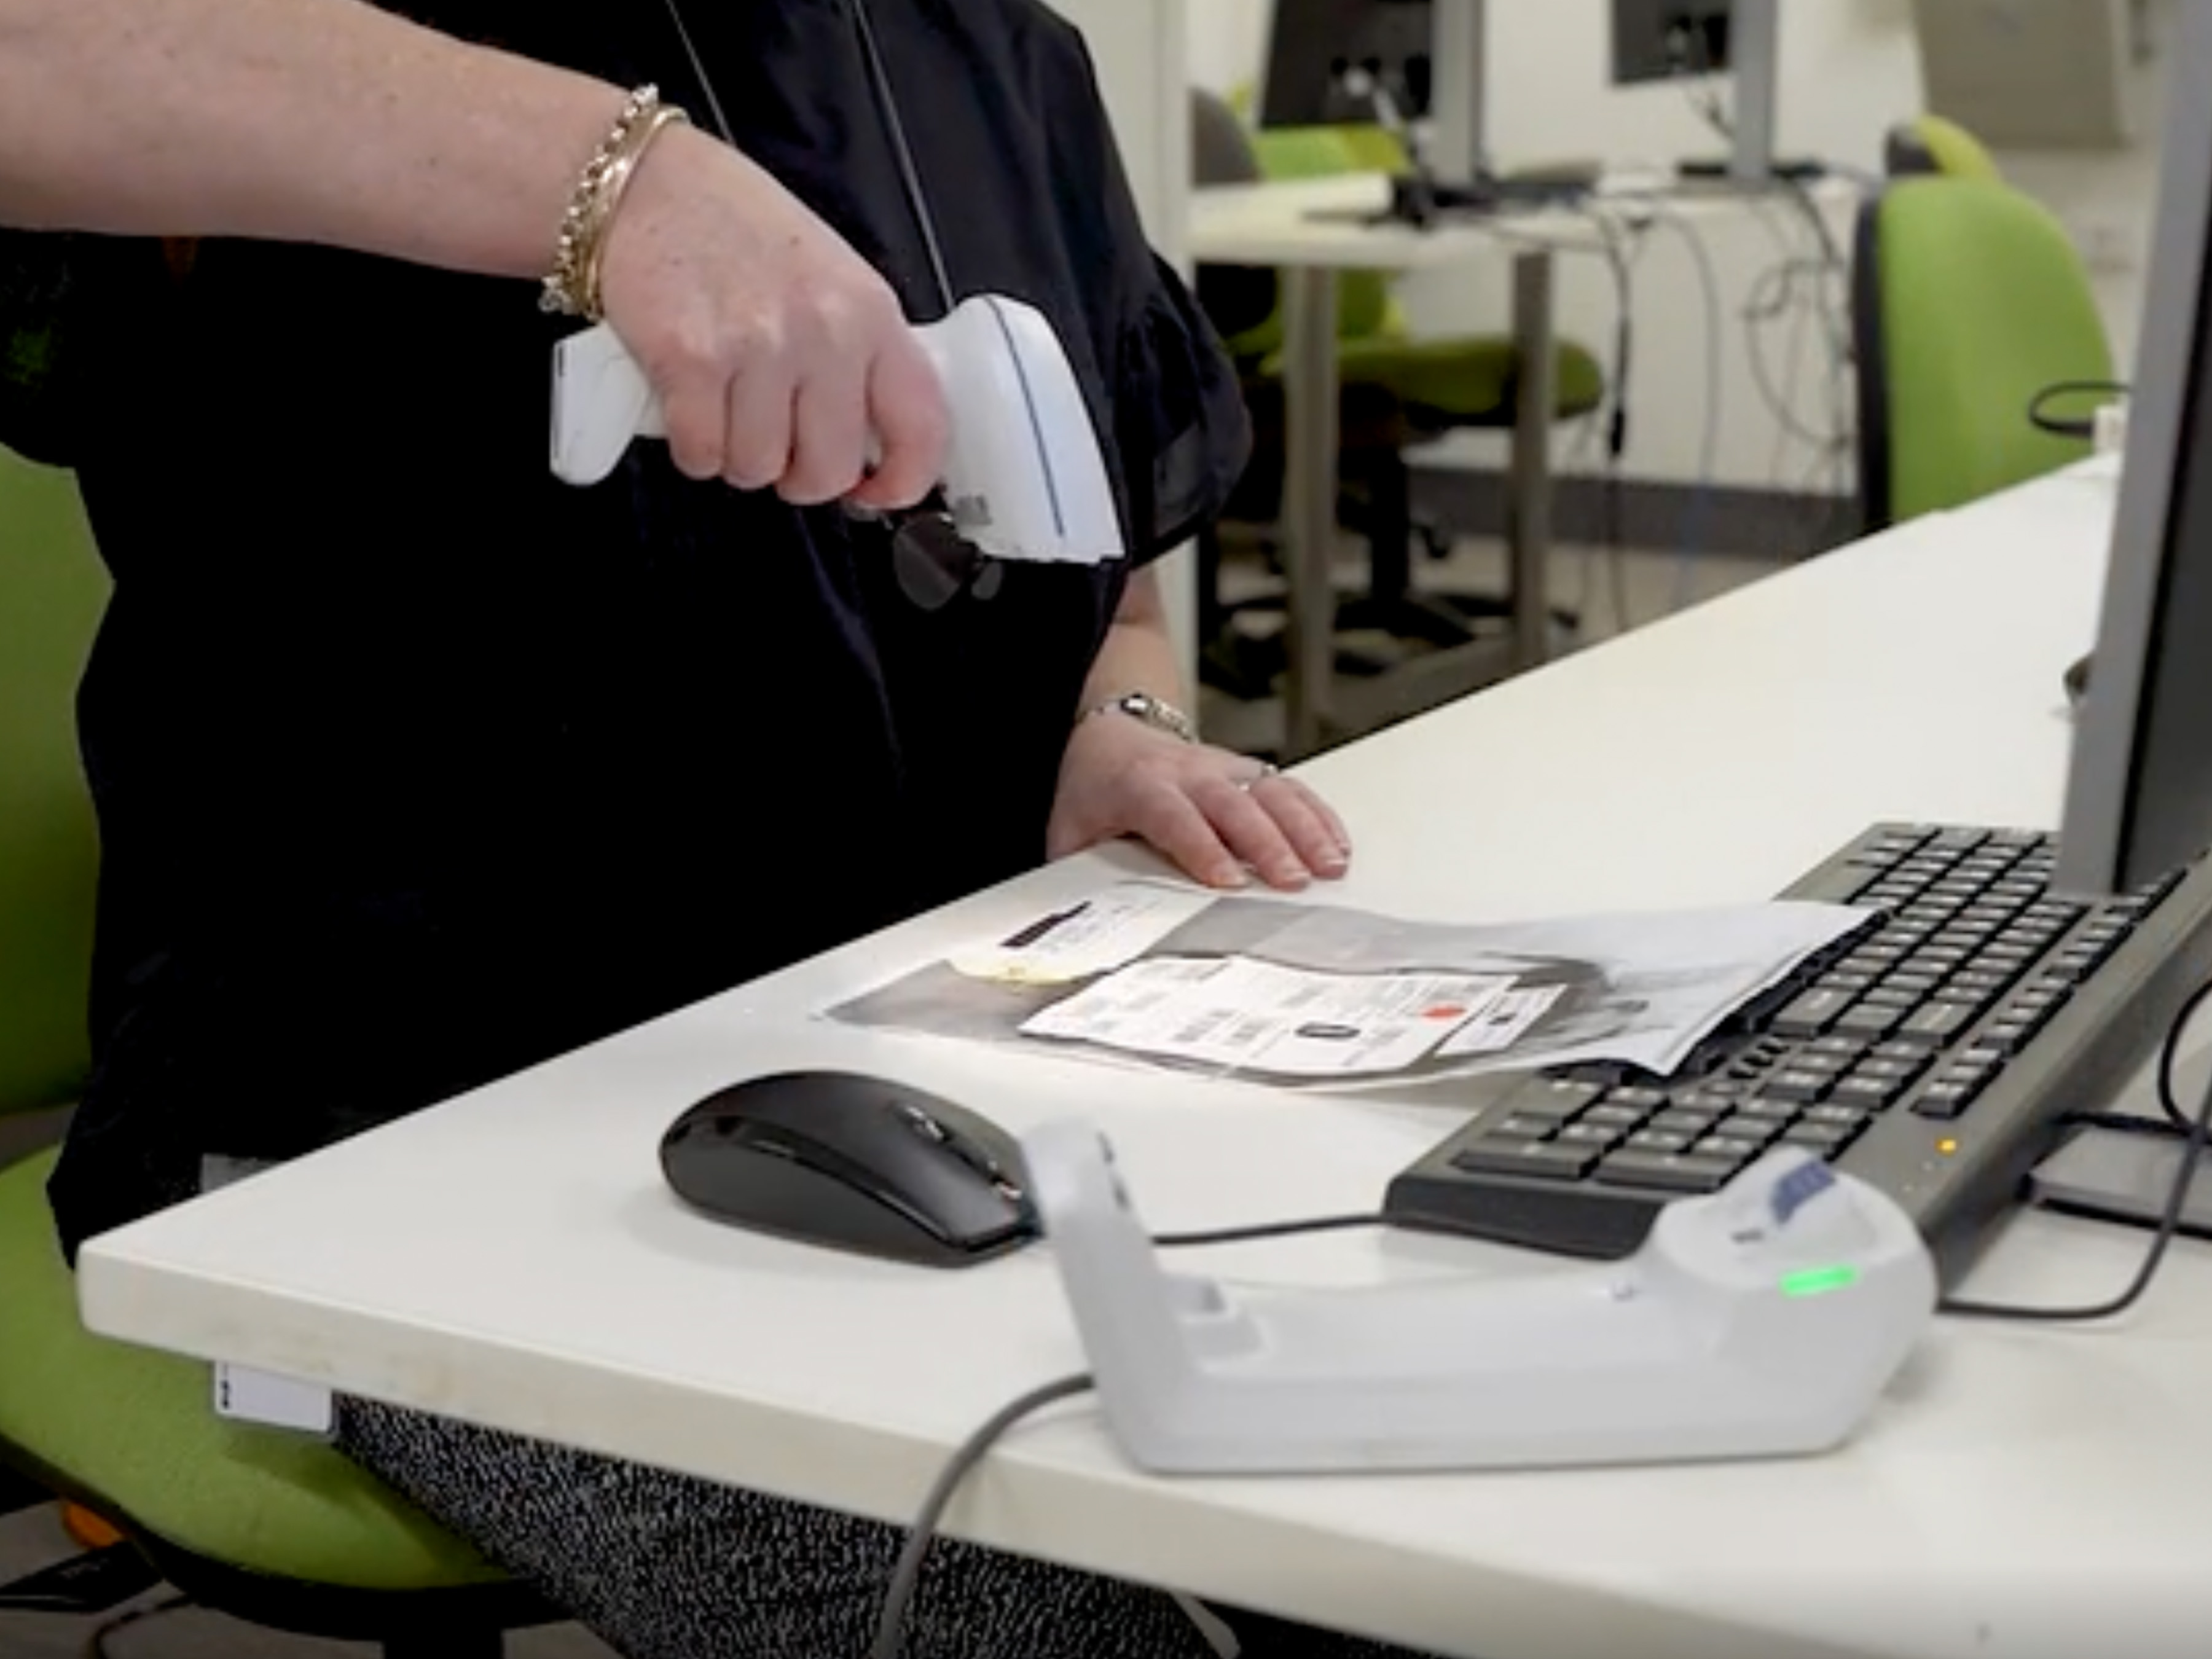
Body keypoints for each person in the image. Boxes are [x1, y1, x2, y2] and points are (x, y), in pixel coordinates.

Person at [0, 0, 1432, 1653]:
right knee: (1049, 1618)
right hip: (412, 1141)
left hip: (930, 1069)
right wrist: (623, 185)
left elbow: (1106, 564)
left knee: (1405, 1508)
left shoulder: (1000, 60)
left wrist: (1114, 719)